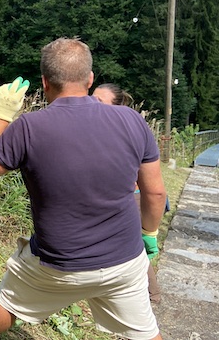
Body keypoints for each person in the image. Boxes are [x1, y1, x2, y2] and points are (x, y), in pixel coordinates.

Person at [0, 38, 166, 340]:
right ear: (90, 79)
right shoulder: (132, 120)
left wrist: (2, 114)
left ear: (44, 82)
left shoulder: (29, 127)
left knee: (8, 301)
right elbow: (155, 192)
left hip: (57, 264)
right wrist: (150, 233)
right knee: (146, 332)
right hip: (124, 260)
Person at [92, 82, 165, 305]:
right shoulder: (96, 126)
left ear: (116, 107)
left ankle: (151, 297)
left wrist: (150, 231)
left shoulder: (121, 130)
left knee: (134, 251)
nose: (91, 104)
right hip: (111, 197)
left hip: (129, 196)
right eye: (91, 97)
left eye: (99, 101)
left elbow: (153, 186)